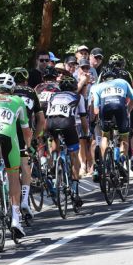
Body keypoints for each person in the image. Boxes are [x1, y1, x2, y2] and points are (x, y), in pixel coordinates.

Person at [0, 74, 31, 238]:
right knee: (13, 175)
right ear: (12, 89)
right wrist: (28, 145)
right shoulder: (18, 101)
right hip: (8, 135)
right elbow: (25, 130)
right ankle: (16, 219)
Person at [46, 75, 88, 208]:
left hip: (51, 123)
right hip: (67, 124)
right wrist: (86, 133)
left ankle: (53, 164)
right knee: (74, 154)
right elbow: (83, 118)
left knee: (55, 139)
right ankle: (74, 189)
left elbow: (48, 114)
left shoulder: (53, 96)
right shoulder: (78, 97)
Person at [91, 66, 133, 177]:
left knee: (105, 137)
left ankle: (104, 164)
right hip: (120, 109)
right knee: (124, 136)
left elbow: (95, 109)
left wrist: (95, 121)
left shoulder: (97, 87)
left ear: (103, 78)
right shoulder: (123, 82)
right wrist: (127, 111)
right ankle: (121, 160)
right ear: (115, 77)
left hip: (105, 110)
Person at [11, 68, 45, 219]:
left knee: (7, 164)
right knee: (25, 164)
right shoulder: (31, 92)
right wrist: (36, 138)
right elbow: (41, 120)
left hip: (7, 130)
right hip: (25, 132)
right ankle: (24, 200)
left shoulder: (6, 92)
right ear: (26, 80)